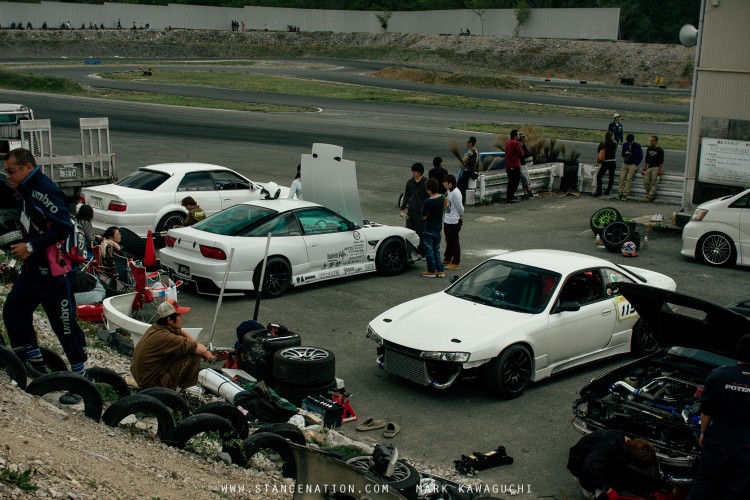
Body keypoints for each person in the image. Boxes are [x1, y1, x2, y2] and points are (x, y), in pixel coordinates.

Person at [1, 148, 89, 379]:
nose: (8, 176)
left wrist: (30, 247)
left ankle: (82, 377)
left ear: (27, 167)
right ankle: (33, 361)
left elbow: (63, 227)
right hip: (32, 272)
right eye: (5, 172)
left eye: (11, 171)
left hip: (54, 273)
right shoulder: (24, 189)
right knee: (13, 311)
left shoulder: (44, 190)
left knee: (64, 325)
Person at [685, 334, 750, 500]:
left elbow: (706, 410)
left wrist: (703, 432)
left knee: (703, 485)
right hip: (745, 445)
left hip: (718, 439)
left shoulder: (719, 375)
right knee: (734, 489)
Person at [131, 300, 213, 390]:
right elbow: (198, 349)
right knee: (193, 354)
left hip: (143, 378)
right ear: (170, 320)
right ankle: (181, 389)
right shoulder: (166, 338)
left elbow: (181, 332)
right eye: (179, 315)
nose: (182, 318)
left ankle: (177, 385)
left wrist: (198, 347)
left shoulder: (157, 327)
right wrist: (205, 353)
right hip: (152, 385)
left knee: (188, 348)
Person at [567, 429, 656, 499]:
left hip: (594, 456)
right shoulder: (610, 445)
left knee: (623, 478)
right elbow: (588, 467)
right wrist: (607, 489)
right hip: (579, 462)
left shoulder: (629, 441)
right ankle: (586, 487)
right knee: (598, 492)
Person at [399, 162, 427, 254]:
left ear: (419, 172)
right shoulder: (410, 182)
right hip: (411, 212)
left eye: (414, 171)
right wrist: (402, 209)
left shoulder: (426, 182)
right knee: (409, 232)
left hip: (421, 213)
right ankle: (409, 252)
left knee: (421, 233)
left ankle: (422, 252)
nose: (413, 173)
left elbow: (429, 198)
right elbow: (406, 196)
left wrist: (428, 213)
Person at [420, 178, 445, 278]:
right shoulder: (442, 198)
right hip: (438, 227)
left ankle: (431, 270)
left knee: (429, 250)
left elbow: (423, 214)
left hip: (429, 228)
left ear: (428, 190)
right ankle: (441, 270)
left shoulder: (428, 202)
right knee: (436, 249)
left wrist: (426, 216)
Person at [442, 174, 463, 270]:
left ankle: (456, 262)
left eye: (445, 182)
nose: (443, 183)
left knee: (454, 241)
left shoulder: (456, 193)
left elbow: (461, 208)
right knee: (448, 240)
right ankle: (447, 258)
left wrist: (459, 217)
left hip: (454, 221)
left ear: (450, 183)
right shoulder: (448, 191)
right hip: (447, 219)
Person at [616, 134, 643, 201]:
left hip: (632, 164)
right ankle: (620, 192)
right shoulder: (625, 145)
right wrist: (626, 153)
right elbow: (622, 154)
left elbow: (640, 156)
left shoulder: (637, 146)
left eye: (630, 142)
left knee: (629, 178)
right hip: (625, 163)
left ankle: (625, 194)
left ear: (633, 141)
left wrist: (635, 164)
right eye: (628, 142)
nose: (629, 143)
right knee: (621, 178)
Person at [594, 131, 617, 197]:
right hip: (612, 162)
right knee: (611, 177)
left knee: (599, 176)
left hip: (605, 162)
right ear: (611, 136)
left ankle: (599, 191)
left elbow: (599, 151)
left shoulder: (603, 143)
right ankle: (608, 191)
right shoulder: (614, 144)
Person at [504, 130, 524, 204]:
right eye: (518, 135)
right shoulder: (515, 143)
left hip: (508, 166)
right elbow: (522, 153)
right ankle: (510, 197)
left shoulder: (508, 142)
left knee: (511, 182)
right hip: (514, 165)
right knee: (515, 182)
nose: (519, 136)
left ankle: (509, 197)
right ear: (515, 136)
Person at [642, 135, 664, 202]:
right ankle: (651, 194)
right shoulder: (649, 148)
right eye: (650, 140)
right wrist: (645, 167)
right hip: (649, 167)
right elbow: (647, 158)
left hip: (656, 167)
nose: (651, 142)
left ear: (656, 141)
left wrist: (660, 170)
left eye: (652, 140)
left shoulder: (660, 150)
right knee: (645, 181)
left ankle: (650, 196)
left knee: (653, 183)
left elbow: (661, 162)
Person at [457, 137, 478, 204]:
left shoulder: (471, 151)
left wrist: (464, 161)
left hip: (468, 171)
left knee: (460, 184)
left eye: (467, 141)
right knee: (464, 185)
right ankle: (463, 200)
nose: (466, 143)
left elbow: (464, 159)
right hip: (470, 170)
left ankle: (461, 200)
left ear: (471, 143)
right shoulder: (475, 150)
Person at [519, 132, 534, 199]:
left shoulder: (523, 145)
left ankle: (525, 194)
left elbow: (527, 153)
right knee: (525, 178)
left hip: (523, 163)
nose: (526, 138)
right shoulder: (519, 145)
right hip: (521, 164)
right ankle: (529, 192)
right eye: (525, 137)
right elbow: (525, 154)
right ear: (522, 138)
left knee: (525, 178)